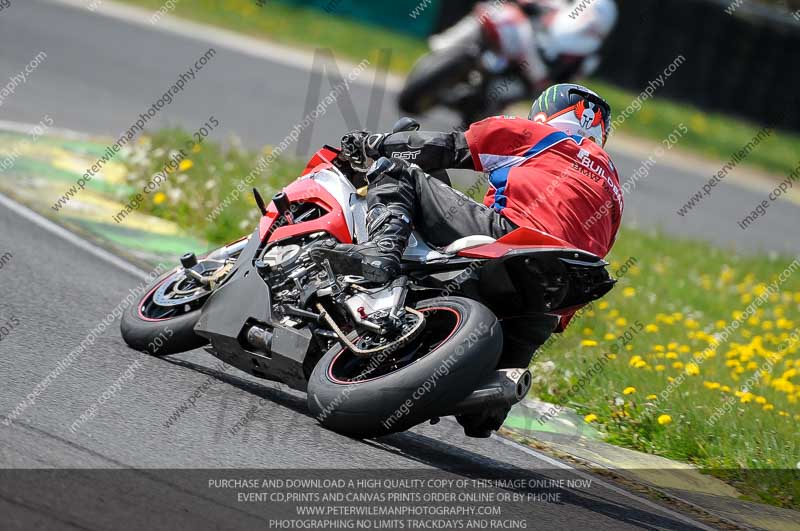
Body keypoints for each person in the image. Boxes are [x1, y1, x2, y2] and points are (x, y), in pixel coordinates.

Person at [328, 83, 623, 436]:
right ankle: (485, 395)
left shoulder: (540, 135)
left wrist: (373, 144)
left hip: (512, 242)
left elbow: (448, 147)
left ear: (546, 112)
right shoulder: (614, 190)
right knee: (483, 419)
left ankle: (380, 254)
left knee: (397, 171)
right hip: (552, 298)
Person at [426, 0, 618, 120]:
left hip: (530, 75)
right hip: (514, 41)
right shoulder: (553, 8)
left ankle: (484, 110)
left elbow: (568, 80)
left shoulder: (588, 50)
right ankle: (445, 43)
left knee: (501, 101)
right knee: (489, 11)